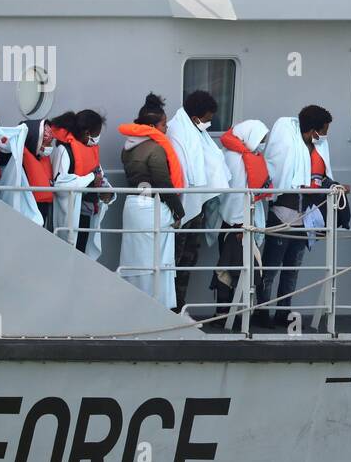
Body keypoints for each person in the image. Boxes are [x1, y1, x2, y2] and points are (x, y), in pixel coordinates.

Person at [258, 105, 345, 328]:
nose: (325, 135)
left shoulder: (318, 149)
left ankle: (283, 312)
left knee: (292, 269)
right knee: (270, 268)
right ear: (313, 130)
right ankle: (261, 312)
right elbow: (279, 173)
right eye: (324, 130)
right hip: (282, 214)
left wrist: (335, 185)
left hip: (305, 215)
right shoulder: (288, 146)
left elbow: (321, 176)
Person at [118, 94, 185, 308]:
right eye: (164, 124)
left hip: (133, 206)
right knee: (157, 262)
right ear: (152, 126)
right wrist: (179, 211)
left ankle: (133, 304)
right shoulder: (155, 149)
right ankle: (158, 307)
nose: (166, 129)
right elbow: (163, 183)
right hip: (151, 208)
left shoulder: (127, 148)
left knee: (135, 261)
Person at [168, 90, 229, 312]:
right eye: (207, 119)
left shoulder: (195, 131)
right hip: (181, 210)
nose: (209, 123)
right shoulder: (178, 131)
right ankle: (170, 307)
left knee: (189, 259)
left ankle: (179, 305)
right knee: (175, 261)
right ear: (196, 117)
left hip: (195, 208)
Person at [211, 119, 272, 327]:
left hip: (239, 223)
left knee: (234, 268)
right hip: (237, 224)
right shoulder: (235, 159)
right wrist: (240, 224)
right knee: (231, 270)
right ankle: (226, 316)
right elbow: (235, 195)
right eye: (261, 139)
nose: (263, 143)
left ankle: (228, 314)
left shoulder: (242, 155)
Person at [49, 110, 111, 258]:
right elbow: (61, 185)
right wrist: (90, 178)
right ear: (87, 133)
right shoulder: (64, 150)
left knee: (83, 256)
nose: (97, 138)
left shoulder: (90, 150)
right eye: (96, 134)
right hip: (70, 216)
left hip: (87, 213)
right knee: (68, 257)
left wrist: (107, 191)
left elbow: (100, 176)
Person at [21, 118, 57, 229]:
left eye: (50, 143)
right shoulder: (20, 160)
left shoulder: (43, 158)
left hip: (43, 206)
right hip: (27, 207)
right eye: (45, 143)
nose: (49, 147)